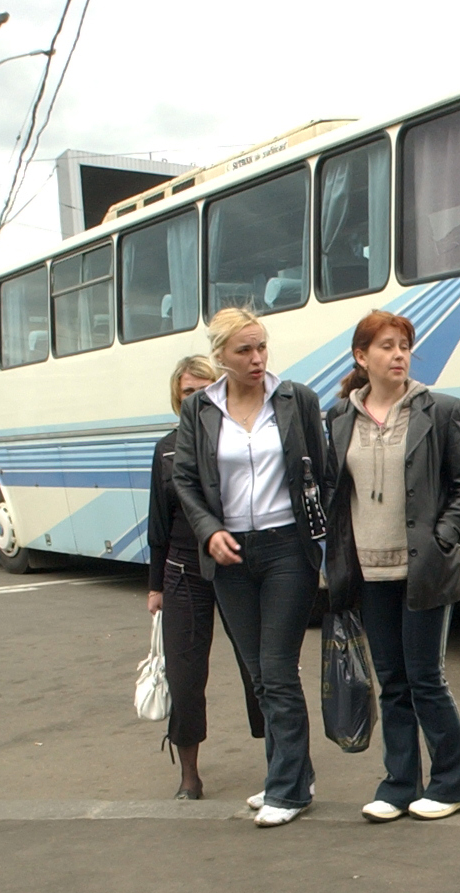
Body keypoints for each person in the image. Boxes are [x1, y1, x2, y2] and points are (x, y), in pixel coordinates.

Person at [321, 310, 460, 822]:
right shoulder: (340, 417)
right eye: (387, 346)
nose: (398, 355)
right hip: (367, 573)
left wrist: (441, 541)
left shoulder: (438, 410)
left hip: (422, 571)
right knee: (391, 680)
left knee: (425, 678)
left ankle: (453, 782)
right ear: (361, 356)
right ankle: (399, 784)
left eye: (404, 346)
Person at [172, 308, 330, 828]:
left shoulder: (295, 398)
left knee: (279, 668)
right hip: (229, 552)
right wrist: (208, 530)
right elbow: (187, 481)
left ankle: (287, 790)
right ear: (220, 356)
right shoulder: (200, 409)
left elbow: (323, 473)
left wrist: (321, 538)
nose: (258, 358)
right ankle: (294, 774)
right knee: (260, 674)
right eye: (244, 351)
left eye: (262, 347)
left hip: (288, 548)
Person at [145, 354, 264, 798]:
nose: (194, 399)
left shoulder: (235, 440)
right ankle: (189, 774)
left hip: (235, 565)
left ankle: (282, 759)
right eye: (186, 393)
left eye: (202, 390)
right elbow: (158, 521)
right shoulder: (167, 449)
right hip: (182, 569)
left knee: (260, 668)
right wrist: (155, 586)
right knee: (185, 674)